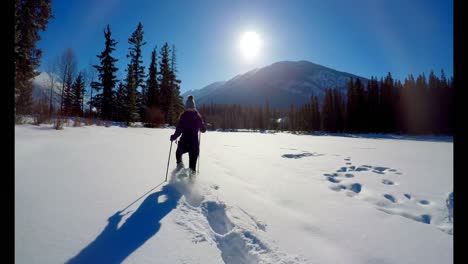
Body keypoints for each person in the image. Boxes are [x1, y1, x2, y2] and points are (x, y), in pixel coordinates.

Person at [170, 95, 207, 174]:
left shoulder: (183, 117)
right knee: (192, 168)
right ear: (194, 107)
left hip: (184, 143)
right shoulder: (198, 117)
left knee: (178, 154)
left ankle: (180, 168)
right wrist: (203, 128)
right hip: (194, 145)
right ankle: (191, 182)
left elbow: (178, 131)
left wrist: (173, 137)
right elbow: (203, 129)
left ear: (186, 107)